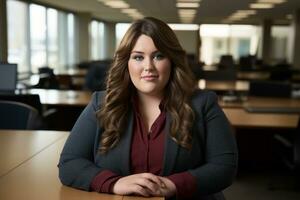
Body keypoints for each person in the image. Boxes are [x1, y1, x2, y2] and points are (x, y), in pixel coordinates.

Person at [58, 17, 238, 200]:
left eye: (158, 56)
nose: (148, 67)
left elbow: (224, 167)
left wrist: (173, 185)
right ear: (126, 63)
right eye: (138, 57)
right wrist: (115, 183)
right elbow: (69, 163)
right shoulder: (102, 103)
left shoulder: (203, 104)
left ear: (172, 61)